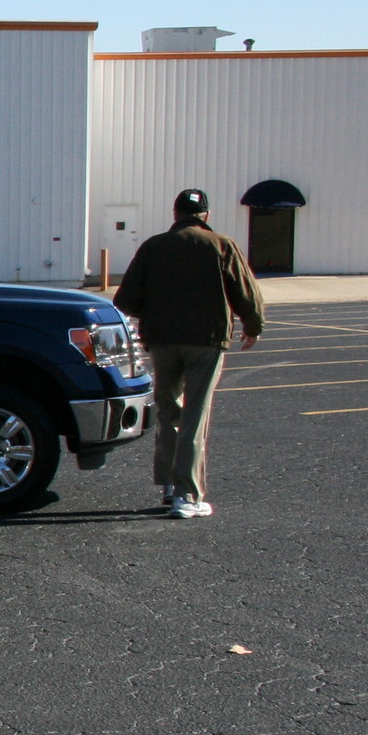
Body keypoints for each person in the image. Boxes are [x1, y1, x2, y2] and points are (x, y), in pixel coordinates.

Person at [113, 188, 264, 519]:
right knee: (195, 415)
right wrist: (252, 325)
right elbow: (244, 291)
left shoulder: (153, 247)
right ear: (206, 216)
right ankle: (188, 494)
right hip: (206, 342)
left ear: (176, 214)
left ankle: (169, 482)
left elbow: (125, 300)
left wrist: (153, 312)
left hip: (163, 341)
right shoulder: (221, 245)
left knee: (168, 410)